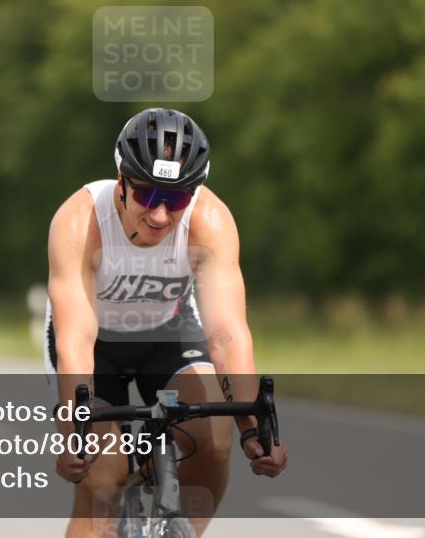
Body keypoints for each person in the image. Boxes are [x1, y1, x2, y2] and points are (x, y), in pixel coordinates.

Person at [45, 108, 288, 536]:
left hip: (167, 335)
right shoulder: (80, 222)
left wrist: (255, 429)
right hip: (95, 346)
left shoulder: (210, 221)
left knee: (214, 440)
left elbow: (227, 333)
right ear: (121, 182)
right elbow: (77, 340)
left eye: (176, 199)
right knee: (102, 478)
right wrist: (72, 433)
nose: (160, 215)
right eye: (147, 196)